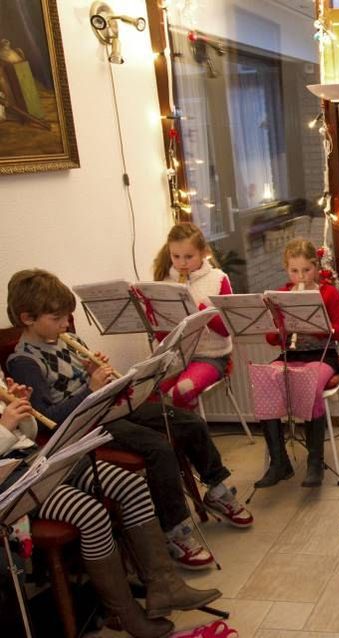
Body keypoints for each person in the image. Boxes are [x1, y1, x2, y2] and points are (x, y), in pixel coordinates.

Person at [5, 269, 253, 571]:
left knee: (188, 422)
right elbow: (49, 421)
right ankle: (174, 531)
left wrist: (97, 375)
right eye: (56, 319)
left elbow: (86, 381)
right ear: (28, 318)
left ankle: (216, 489)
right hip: (87, 424)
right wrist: (90, 388)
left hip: (108, 405)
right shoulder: (23, 362)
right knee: (158, 447)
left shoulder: (65, 340)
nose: (65, 325)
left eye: (67, 317)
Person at [1, 377, 220, 638]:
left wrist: (22, 412)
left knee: (132, 486)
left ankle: (165, 586)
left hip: (37, 458)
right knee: (90, 513)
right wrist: (4, 427)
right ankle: (123, 612)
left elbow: (29, 433)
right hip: (10, 482)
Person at [253, 239, 339, 488]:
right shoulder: (282, 295)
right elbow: (272, 339)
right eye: (294, 271)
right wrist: (277, 326)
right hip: (292, 354)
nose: (301, 276)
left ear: (316, 267)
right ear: (287, 270)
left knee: (308, 383)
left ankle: (315, 462)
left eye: (306, 270)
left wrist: (318, 326)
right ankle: (279, 462)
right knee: (264, 380)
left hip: (322, 354)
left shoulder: (328, 292)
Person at [151, 222, 234, 410]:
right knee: (148, 392)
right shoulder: (165, 281)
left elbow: (227, 329)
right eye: (176, 256)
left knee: (183, 391)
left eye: (189, 257)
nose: (181, 263)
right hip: (175, 357)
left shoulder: (218, 279)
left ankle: (186, 432)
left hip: (211, 356)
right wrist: (157, 319)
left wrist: (202, 311)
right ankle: (176, 431)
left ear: (203, 253)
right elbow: (162, 338)